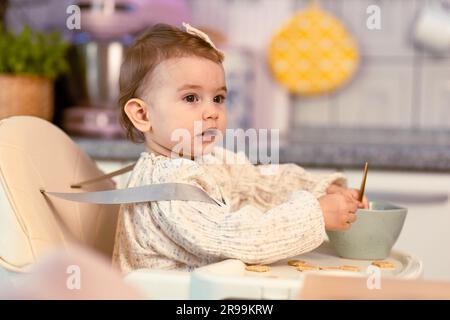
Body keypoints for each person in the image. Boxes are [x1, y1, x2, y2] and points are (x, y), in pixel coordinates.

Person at [112, 23, 369, 274]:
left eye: (218, 98)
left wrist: (322, 190)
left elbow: (259, 183)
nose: (212, 112)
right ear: (142, 115)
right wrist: (317, 213)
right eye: (191, 98)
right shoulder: (168, 188)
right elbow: (241, 239)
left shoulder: (209, 160)